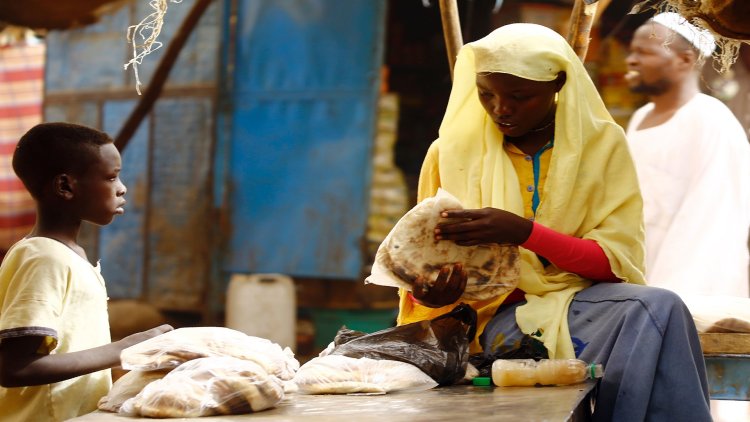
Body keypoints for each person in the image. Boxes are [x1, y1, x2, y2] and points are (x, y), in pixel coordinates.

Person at [397, 23, 711, 421]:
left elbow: (614, 264)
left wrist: (524, 233)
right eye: (486, 94)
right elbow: (422, 268)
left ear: (558, 85)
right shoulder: (450, 152)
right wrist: (431, 294)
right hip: (491, 322)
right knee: (653, 322)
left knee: (658, 310)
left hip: (588, 305)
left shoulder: (602, 145)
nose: (500, 108)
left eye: (520, 96)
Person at [0, 122, 173, 421]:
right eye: (111, 176)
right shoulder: (43, 257)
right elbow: (15, 367)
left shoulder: (64, 255)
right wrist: (122, 348)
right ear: (65, 186)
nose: (122, 187)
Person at [625, 12, 750, 298]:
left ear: (685, 60)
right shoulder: (641, 117)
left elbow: (712, 220)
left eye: (644, 52)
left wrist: (670, 297)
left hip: (689, 289)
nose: (631, 60)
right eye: (632, 51)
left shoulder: (710, 119)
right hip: (641, 280)